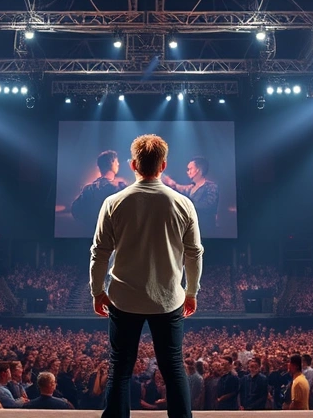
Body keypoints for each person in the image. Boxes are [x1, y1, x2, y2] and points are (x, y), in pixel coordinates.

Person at [90, 134, 204, 418]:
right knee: (173, 367)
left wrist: (97, 291)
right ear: (163, 165)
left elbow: (99, 253)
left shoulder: (113, 202)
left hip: (124, 300)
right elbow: (194, 253)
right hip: (167, 300)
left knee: (120, 369)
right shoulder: (183, 203)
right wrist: (191, 292)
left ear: (133, 165)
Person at [71, 150, 128, 228]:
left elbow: (75, 210)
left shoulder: (88, 189)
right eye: (116, 161)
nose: (118, 164)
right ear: (111, 162)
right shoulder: (120, 187)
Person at [162, 157, 220, 231]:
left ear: (198, 170)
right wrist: (170, 182)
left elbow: (208, 205)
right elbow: (179, 188)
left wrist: (186, 205)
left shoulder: (211, 186)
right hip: (193, 228)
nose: (188, 172)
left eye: (190, 169)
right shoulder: (191, 187)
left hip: (206, 228)